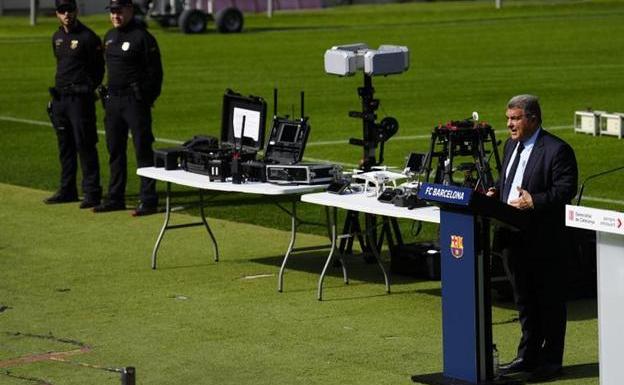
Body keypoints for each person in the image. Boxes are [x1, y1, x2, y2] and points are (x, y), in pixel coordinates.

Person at [488, 95, 578, 382]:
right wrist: (495, 193)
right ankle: (527, 355)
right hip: (511, 236)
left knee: (549, 302)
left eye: (515, 119)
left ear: (533, 119)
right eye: (508, 119)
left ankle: (551, 361)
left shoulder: (557, 150)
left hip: (543, 239)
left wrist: (534, 201)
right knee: (524, 300)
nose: (509, 124)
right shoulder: (510, 145)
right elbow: (509, 181)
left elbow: (566, 189)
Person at [94, 0, 163, 216]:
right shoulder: (109, 36)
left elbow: (156, 75)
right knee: (115, 149)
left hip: (134, 102)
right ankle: (115, 197)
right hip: (113, 101)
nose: (115, 15)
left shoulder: (142, 37)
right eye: (113, 12)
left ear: (130, 10)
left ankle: (149, 199)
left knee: (142, 150)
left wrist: (144, 98)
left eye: (119, 11)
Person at [45, 0, 104, 208]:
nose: (67, 14)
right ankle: (67, 189)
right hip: (61, 99)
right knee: (65, 146)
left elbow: (98, 70)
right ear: (57, 14)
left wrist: (87, 89)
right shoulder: (57, 37)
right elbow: (60, 65)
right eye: (62, 11)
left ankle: (92, 192)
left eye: (70, 10)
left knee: (85, 144)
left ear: (76, 11)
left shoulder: (88, 37)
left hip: (80, 100)